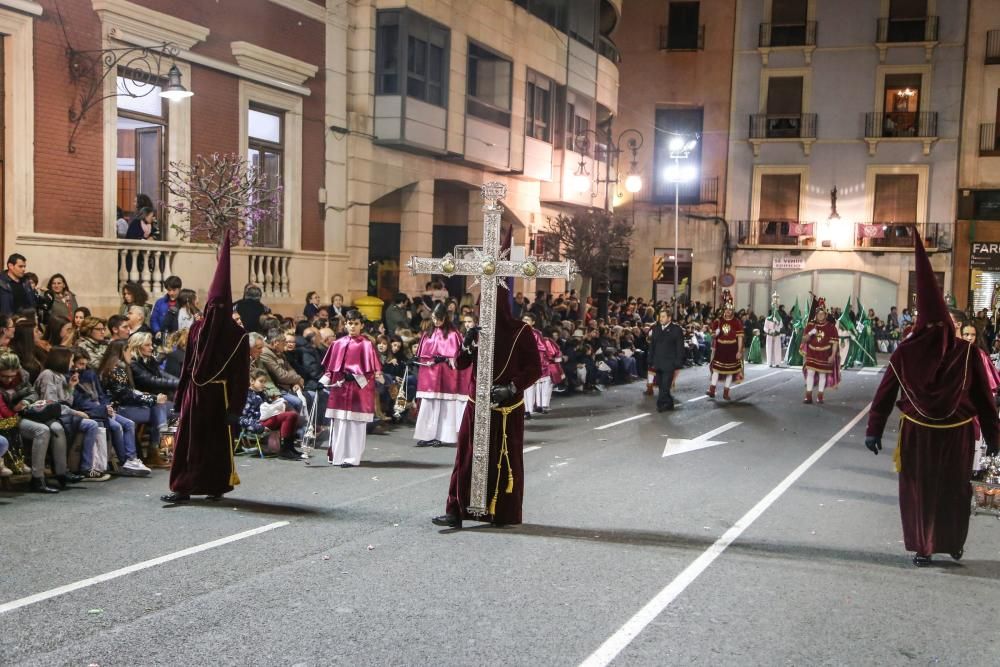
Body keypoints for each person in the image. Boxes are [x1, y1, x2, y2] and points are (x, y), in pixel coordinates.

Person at [865, 235, 1000, 566]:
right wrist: (995, 439)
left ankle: (923, 546)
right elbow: (985, 400)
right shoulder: (968, 353)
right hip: (958, 435)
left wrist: (875, 430)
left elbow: (884, 395)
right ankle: (951, 543)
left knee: (919, 490)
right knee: (954, 488)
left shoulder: (905, 353)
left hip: (918, 435)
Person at [432, 268, 543, 529]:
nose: (485, 312)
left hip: (506, 408)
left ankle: (502, 512)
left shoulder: (521, 332)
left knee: (504, 459)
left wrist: (513, 388)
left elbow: (534, 369)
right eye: (482, 306)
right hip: (476, 404)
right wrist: (467, 343)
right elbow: (460, 364)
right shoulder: (477, 331)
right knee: (466, 457)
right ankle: (456, 509)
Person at [162, 234, 250, 503]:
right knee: (189, 443)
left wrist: (235, 409)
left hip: (219, 396)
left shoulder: (238, 336)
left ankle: (215, 484)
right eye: (212, 305)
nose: (215, 310)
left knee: (215, 445)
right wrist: (180, 397)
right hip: (195, 394)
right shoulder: (197, 329)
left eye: (219, 307)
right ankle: (183, 486)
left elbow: (240, 376)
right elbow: (188, 365)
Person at [0, 352, 81, 492]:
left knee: (57, 427)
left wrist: (26, 401)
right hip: (9, 419)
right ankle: (37, 479)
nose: (8, 380)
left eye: (11, 376)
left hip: (28, 413)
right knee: (42, 430)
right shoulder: (48, 375)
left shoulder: (22, 376)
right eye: (4, 376)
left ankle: (62, 473)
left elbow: (33, 393)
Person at [321, 309, 382, 467]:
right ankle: (338, 455)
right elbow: (330, 369)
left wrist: (355, 377)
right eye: (350, 323)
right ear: (345, 325)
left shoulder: (367, 345)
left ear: (361, 325)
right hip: (339, 390)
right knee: (340, 423)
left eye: (356, 323)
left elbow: (370, 373)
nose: (353, 327)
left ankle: (351, 458)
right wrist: (321, 383)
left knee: (355, 426)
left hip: (358, 392)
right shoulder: (337, 344)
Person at [412, 303, 467, 447]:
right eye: (434, 319)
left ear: (445, 318)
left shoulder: (453, 334)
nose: (436, 322)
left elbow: (457, 356)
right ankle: (426, 435)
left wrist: (443, 358)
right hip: (429, 374)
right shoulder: (428, 333)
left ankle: (443, 436)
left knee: (445, 406)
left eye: (439, 319)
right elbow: (422, 353)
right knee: (428, 404)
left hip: (445, 374)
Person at [241, 369, 304, 460]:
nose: (263, 384)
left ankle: (290, 448)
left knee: (292, 414)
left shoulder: (263, 394)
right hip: (258, 424)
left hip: (267, 420)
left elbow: (269, 409)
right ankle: (285, 450)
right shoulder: (247, 396)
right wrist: (259, 427)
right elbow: (242, 418)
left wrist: (276, 403)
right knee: (290, 415)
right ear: (252, 381)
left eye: (264, 382)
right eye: (261, 381)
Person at [802, 303, 840, 404]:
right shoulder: (810, 325)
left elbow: (835, 343)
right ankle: (808, 396)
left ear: (826, 315)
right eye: (819, 314)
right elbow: (804, 340)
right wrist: (810, 333)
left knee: (822, 375)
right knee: (810, 373)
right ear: (816, 314)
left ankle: (820, 396)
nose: (820, 316)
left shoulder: (831, 327)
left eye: (822, 314)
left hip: (824, 354)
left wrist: (832, 355)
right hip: (812, 352)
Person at [648, 309, 685, 412]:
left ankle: (661, 404)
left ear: (669, 318)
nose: (661, 319)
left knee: (665, 384)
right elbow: (652, 345)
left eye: (663, 316)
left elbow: (680, 347)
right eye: (660, 316)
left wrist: (678, 362)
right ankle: (669, 403)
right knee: (660, 384)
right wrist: (650, 359)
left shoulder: (676, 329)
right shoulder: (656, 329)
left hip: (670, 363)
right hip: (658, 361)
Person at [706, 305, 744, 400]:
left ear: (733, 311)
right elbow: (713, 335)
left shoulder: (736, 322)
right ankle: (712, 390)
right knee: (716, 369)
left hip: (732, 348)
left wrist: (739, 351)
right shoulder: (718, 321)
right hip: (720, 348)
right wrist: (716, 333)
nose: (728, 311)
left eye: (730, 310)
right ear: (724, 310)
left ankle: (726, 392)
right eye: (726, 309)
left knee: (730, 371)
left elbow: (740, 337)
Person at [763, 297, 783, 368]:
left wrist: (777, 322)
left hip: (776, 335)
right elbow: (765, 327)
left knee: (777, 348)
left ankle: (777, 362)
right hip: (770, 335)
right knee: (769, 348)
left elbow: (781, 326)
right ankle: (770, 362)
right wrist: (769, 330)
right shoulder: (768, 319)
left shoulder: (779, 318)